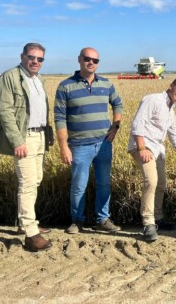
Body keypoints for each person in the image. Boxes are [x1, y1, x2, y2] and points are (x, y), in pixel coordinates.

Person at [0, 43, 54, 252]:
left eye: (40, 59)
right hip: (24, 137)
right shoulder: (10, 77)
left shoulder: (38, 80)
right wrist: (17, 141)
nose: (35, 62)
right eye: (32, 57)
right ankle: (30, 234)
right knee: (27, 182)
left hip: (40, 136)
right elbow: (5, 111)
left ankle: (25, 223)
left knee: (35, 180)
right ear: (23, 56)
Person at [54, 47, 123, 234]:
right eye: (87, 59)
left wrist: (115, 126)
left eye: (95, 60)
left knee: (104, 184)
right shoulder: (65, 86)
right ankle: (77, 221)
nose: (91, 62)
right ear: (79, 59)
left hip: (103, 144)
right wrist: (64, 147)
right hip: (78, 146)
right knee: (78, 186)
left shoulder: (106, 84)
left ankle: (103, 219)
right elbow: (59, 118)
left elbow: (118, 104)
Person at [128, 78, 176, 242]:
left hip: (157, 149)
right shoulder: (153, 99)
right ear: (171, 86)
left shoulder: (171, 111)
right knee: (151, 181)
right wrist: (142, 148)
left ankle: (158, 219)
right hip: (143, 145)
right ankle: (148, 224)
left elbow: (174, 136)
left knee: (161, 184)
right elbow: (138, 123)